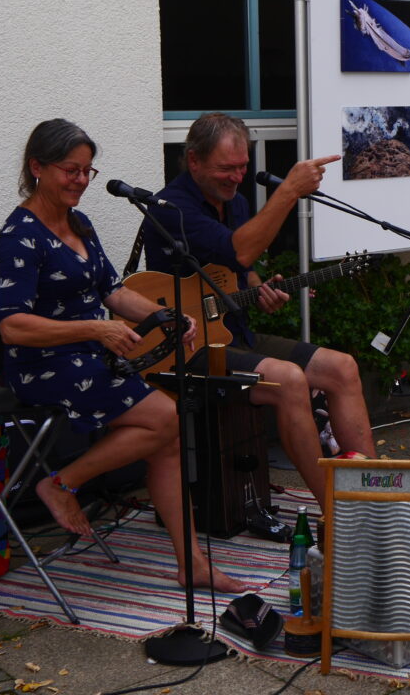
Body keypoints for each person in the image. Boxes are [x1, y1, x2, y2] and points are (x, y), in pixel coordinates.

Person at [0, 118, 248, 593]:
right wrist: (93, 328)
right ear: (37, 168)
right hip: (43, 366)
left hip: (89, 358)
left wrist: (164, 316)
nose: (80, 181)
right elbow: (11, 325)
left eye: (87, 171)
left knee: (168, 434)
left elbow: (111, 291)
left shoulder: (79, 223)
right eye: (70, 170)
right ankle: (60, 483)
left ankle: (190, 563)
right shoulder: (19, 234)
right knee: (167, 418)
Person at [141, 113, 375, 509]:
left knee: (343, 367)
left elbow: (240, 267)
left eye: (243, 167)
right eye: (225, 168)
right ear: (194, 160)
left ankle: (372, 491)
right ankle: (337, 511)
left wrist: (258, 288)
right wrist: (288, 192)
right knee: (287, 379)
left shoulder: (237, 203)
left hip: (234, 334)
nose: (236, 177)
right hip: (188, 346)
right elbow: (241, 248)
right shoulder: (171, 208)